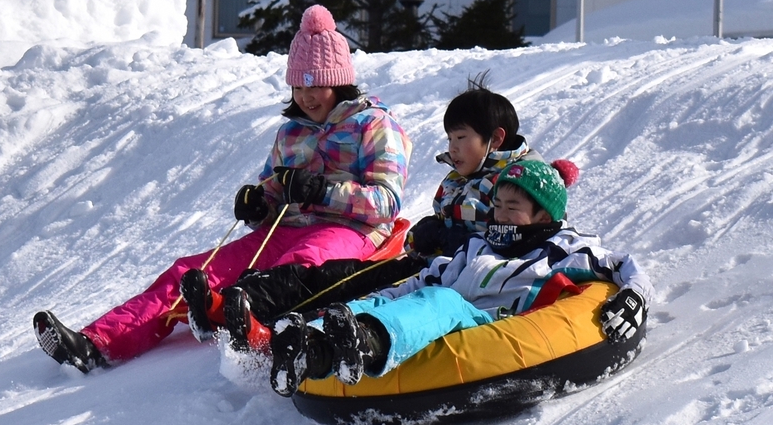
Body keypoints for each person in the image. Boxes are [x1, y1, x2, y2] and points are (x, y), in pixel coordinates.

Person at [32, 4, 412, 373]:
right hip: (285, 229)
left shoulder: (373, 124)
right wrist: (258, 203)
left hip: (349, 233)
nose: (306, 96)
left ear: (339, 80)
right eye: (298, 85)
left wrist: (321, 191)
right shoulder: (291, 132)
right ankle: (96, 345)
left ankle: (243, 320)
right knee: (192, 271)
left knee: (296, 268)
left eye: (317, 85)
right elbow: (274, 188)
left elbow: (387, 203)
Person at [181, 74, 554, 353]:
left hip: (452, 278)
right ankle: (239, 301)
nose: (452, 149)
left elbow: (519, 240)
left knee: (347, 286)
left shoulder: (517, 187)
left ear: (496, 140)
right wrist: (429, 231)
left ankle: (291, 335)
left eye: (461, 139)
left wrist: (452, 238)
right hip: (429, 263)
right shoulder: (463, 178)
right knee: (331, 276)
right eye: (449, 139)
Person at [266, 159, 655, 397]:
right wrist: (357, 306)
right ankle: (314, 346)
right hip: (438, 320)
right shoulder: (478, 248)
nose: (499, 215)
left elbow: (624, 265)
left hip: (495, 326)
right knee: (405, 295)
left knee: (444, 301)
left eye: (513, 207)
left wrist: (634, 297)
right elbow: (420, 282)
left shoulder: (563, 248)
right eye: (497, 205)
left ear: (542, 216)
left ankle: (365, 342)